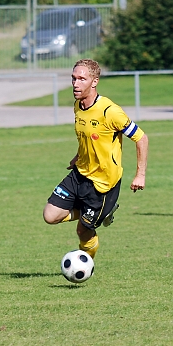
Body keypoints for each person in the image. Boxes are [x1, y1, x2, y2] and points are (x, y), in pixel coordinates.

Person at [43, 58, 148, 260]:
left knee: (83, 232)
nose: (75, 83)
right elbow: (88, 137)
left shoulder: (111, 112)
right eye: (73, 78)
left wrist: (140, 175)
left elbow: (142, 138)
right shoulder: (77, 106)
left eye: (81, 79)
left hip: (103, 185)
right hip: (80, 174)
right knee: (50, 216)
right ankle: (91, 212)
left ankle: (86, 262)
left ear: (94, 81)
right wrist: (78, 156)